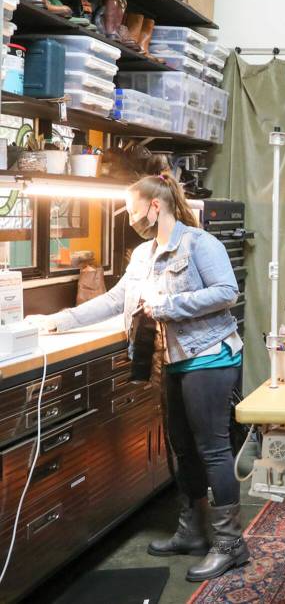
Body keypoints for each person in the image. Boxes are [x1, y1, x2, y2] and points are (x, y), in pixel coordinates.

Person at [27, 173, 247, 582]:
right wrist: (58, 321)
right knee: (181, 447)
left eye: (131, 210)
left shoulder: (200, 244)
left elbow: (226, 292)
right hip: (173, 361)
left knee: (212, 450)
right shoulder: (143, 255)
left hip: (210, 358)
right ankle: (193, 531)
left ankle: (231, 545)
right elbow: (114, 300)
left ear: (155, 206)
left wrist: (168, 304)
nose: (129, 218)